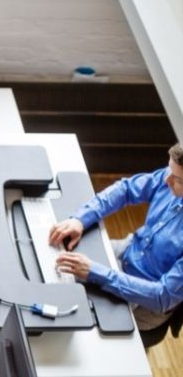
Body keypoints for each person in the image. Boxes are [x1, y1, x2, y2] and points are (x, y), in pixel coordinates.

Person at [49, 143, 183, 335]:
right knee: (57, 266)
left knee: (81, 326)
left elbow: (161, 296)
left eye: (177, 179)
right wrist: (80, 219)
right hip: (126, 252)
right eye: (168, 169)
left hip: (144, 297)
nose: (167, 179)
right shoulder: (172, 175)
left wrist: (96, 272)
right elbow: (126, 189)